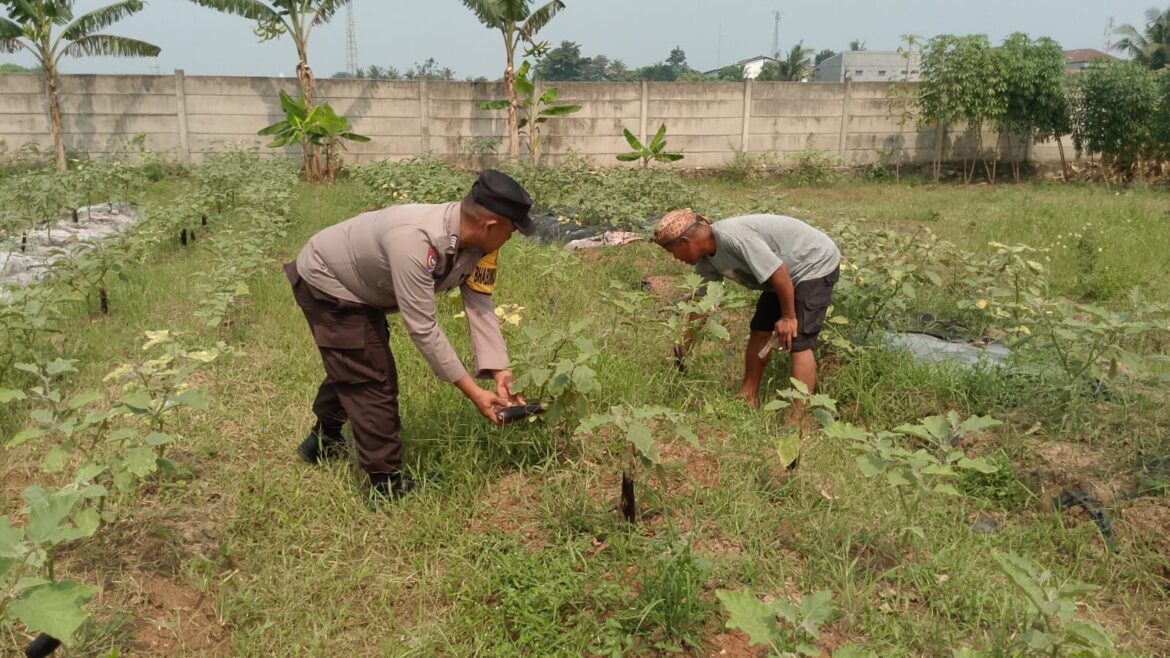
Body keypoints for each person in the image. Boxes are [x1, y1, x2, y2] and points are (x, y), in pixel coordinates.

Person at [284, 170, 532, 501]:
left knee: (353, 362)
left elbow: (479, 298)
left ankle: (323, 442)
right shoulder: (416, 241)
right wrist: (474, 393)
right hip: (327, 278)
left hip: (365, 285)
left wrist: (498, 369)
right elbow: (423, 328)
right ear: (491, 225)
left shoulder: (481, 243)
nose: (512, 236)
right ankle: (385, 484)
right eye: (512, 229)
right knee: (371, 377)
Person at [653, 208, 840, 419]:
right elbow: (701, 304)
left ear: (686, 242)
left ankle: (799, 420)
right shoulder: (706, 260)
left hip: (812, 263)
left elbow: (779, 272)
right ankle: (748, 395)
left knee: (799, 339)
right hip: (781, 276)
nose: (676, 259)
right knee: (760, 329)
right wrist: (682, 347)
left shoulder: (734, 238)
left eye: (673, 253)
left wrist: (788, 317)